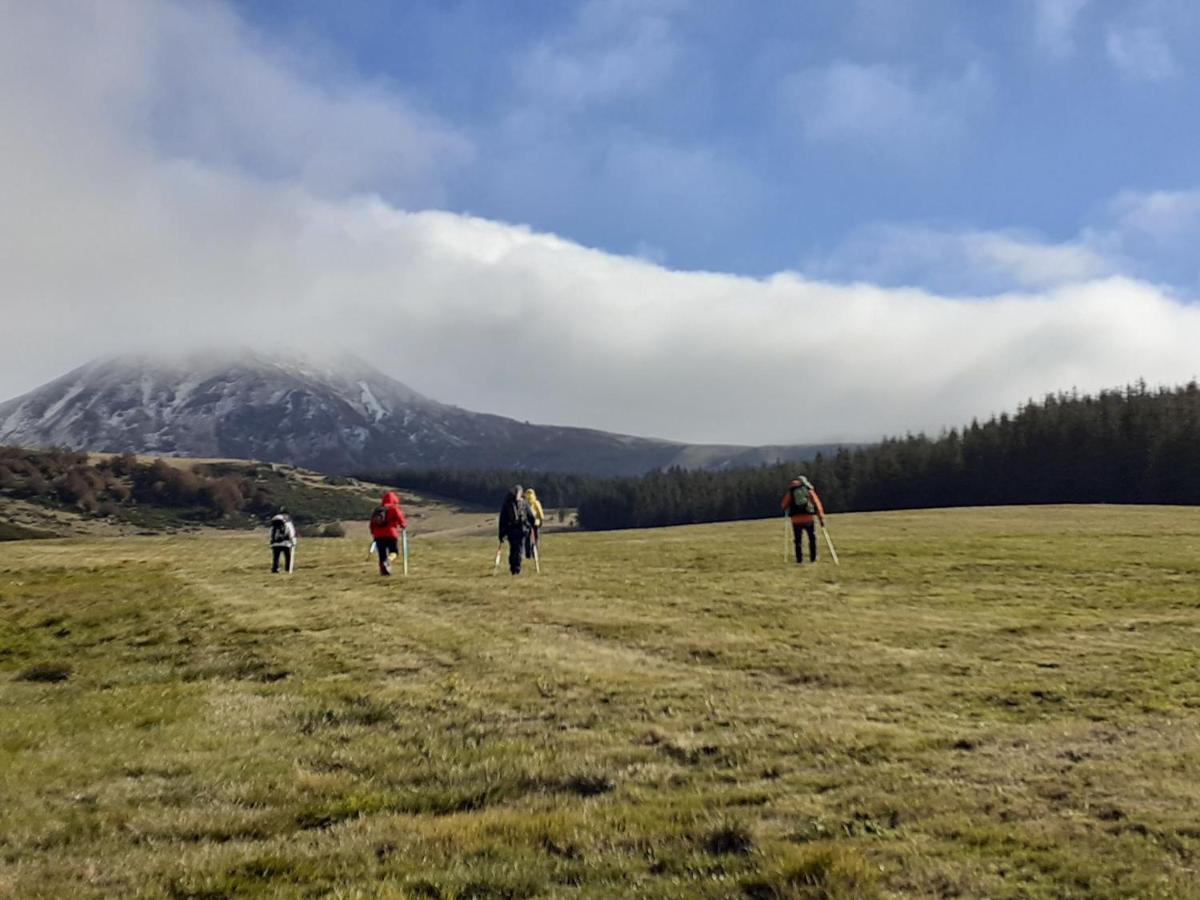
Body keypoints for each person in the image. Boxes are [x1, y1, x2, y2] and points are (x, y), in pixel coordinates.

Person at [781, 475, 826, 564]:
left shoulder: (792, 491)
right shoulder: (809, 490)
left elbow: (783, 505)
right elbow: (817, 504)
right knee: (812, 538)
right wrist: (821, 518)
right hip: (809, 518)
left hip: (796, 520)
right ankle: (813, 559)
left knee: (798, 540)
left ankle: (799, 560)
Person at [498, 484, 535, 575]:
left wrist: (501, 533)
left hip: (510, 530)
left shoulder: (507, 503)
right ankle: (517, 568)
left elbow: (502, 519)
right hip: (522, 530)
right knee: (519, 549)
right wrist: (532, 525)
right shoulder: (524, 503)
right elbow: (531, 516)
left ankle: (513, 567)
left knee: (513, 549)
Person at [369, 491, 408, 576]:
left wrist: (373, 533)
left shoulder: (378, 510)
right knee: (394, 552)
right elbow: (400, 518)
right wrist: (403, 525)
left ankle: (384, 572)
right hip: (391, 534)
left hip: (378, 536)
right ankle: (388, 561)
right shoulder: (394, 508)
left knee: (381, 554)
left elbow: (372, 524)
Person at [523, 487, 545, 560]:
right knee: (535, 538)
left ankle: (527, 554)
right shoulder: (536, 502)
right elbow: (540, 513)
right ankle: (535, 552)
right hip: (536, 523)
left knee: (527, 539)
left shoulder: (524, 503)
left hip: (527, 523)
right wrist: (541, 521)